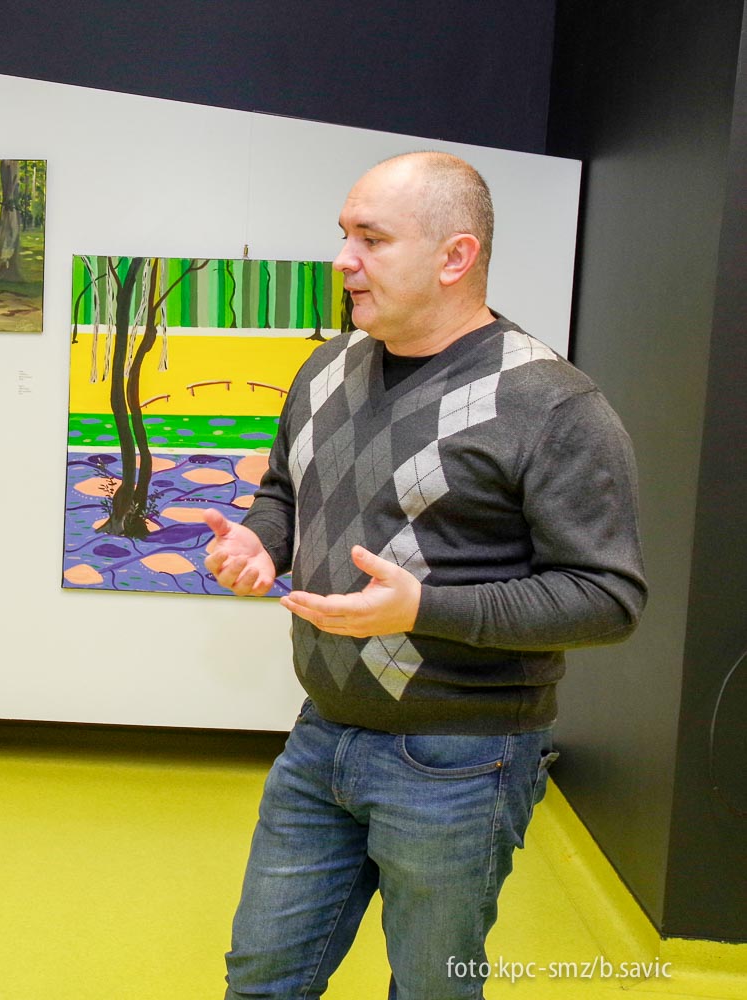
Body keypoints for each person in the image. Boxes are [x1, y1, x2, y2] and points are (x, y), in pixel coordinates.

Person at [203, 151, 646, 999]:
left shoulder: (553, 404)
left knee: (431, 988)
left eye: (371, 239)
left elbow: (608, 597)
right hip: (321, 733)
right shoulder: (324, 368)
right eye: (344, 234)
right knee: (260, 978)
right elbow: (284, 490)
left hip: (462, 759)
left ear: (455, 257)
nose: (343, 259)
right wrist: (261, 542)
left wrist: (424, 608)